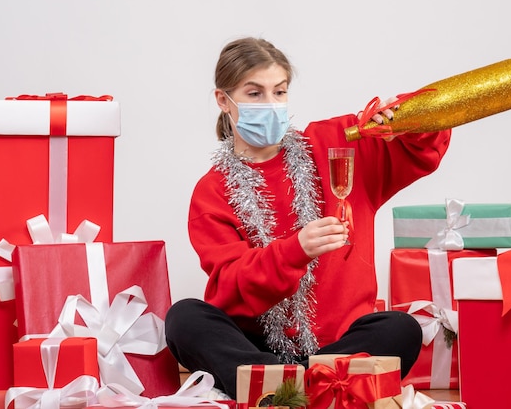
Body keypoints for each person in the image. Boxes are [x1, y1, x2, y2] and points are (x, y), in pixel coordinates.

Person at [165, 36, 451, 399]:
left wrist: (406, 119)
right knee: (184, 317)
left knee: (401, 328)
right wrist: (294, 250)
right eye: (255, 94)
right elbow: (231, 289)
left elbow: (422, 146)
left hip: (341, 341)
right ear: (224, 100)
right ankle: (316, 386)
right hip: (257, 349)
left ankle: (283, 391)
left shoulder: (335, 143)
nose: (271, 105)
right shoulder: (213, 190)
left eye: (279, 92)